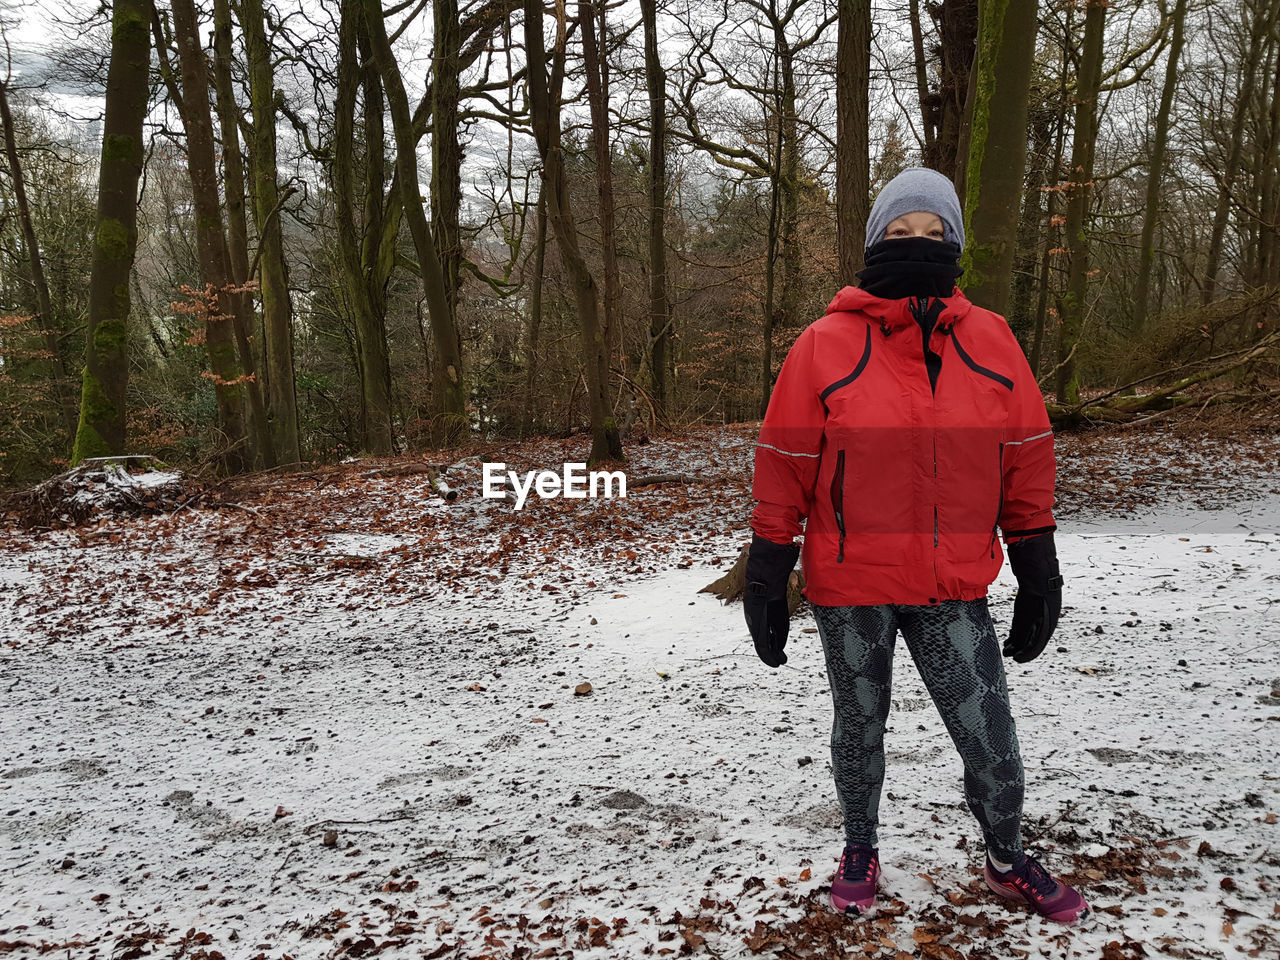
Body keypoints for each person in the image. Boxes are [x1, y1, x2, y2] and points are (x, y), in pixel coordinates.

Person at [742, 167, 1088, 925]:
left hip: (951, 586)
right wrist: (768, 569)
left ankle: (1005, 857)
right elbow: (786, 460)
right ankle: (859, 845)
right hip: (851, 585)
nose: (918, 246)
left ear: (956, 244)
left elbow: (1025, 453)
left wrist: (1037, 565)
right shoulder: (823, 344)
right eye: (901, 233)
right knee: (858, 727)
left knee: (990, 735)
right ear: (874, 243)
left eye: (934, 234)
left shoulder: (992, 340)